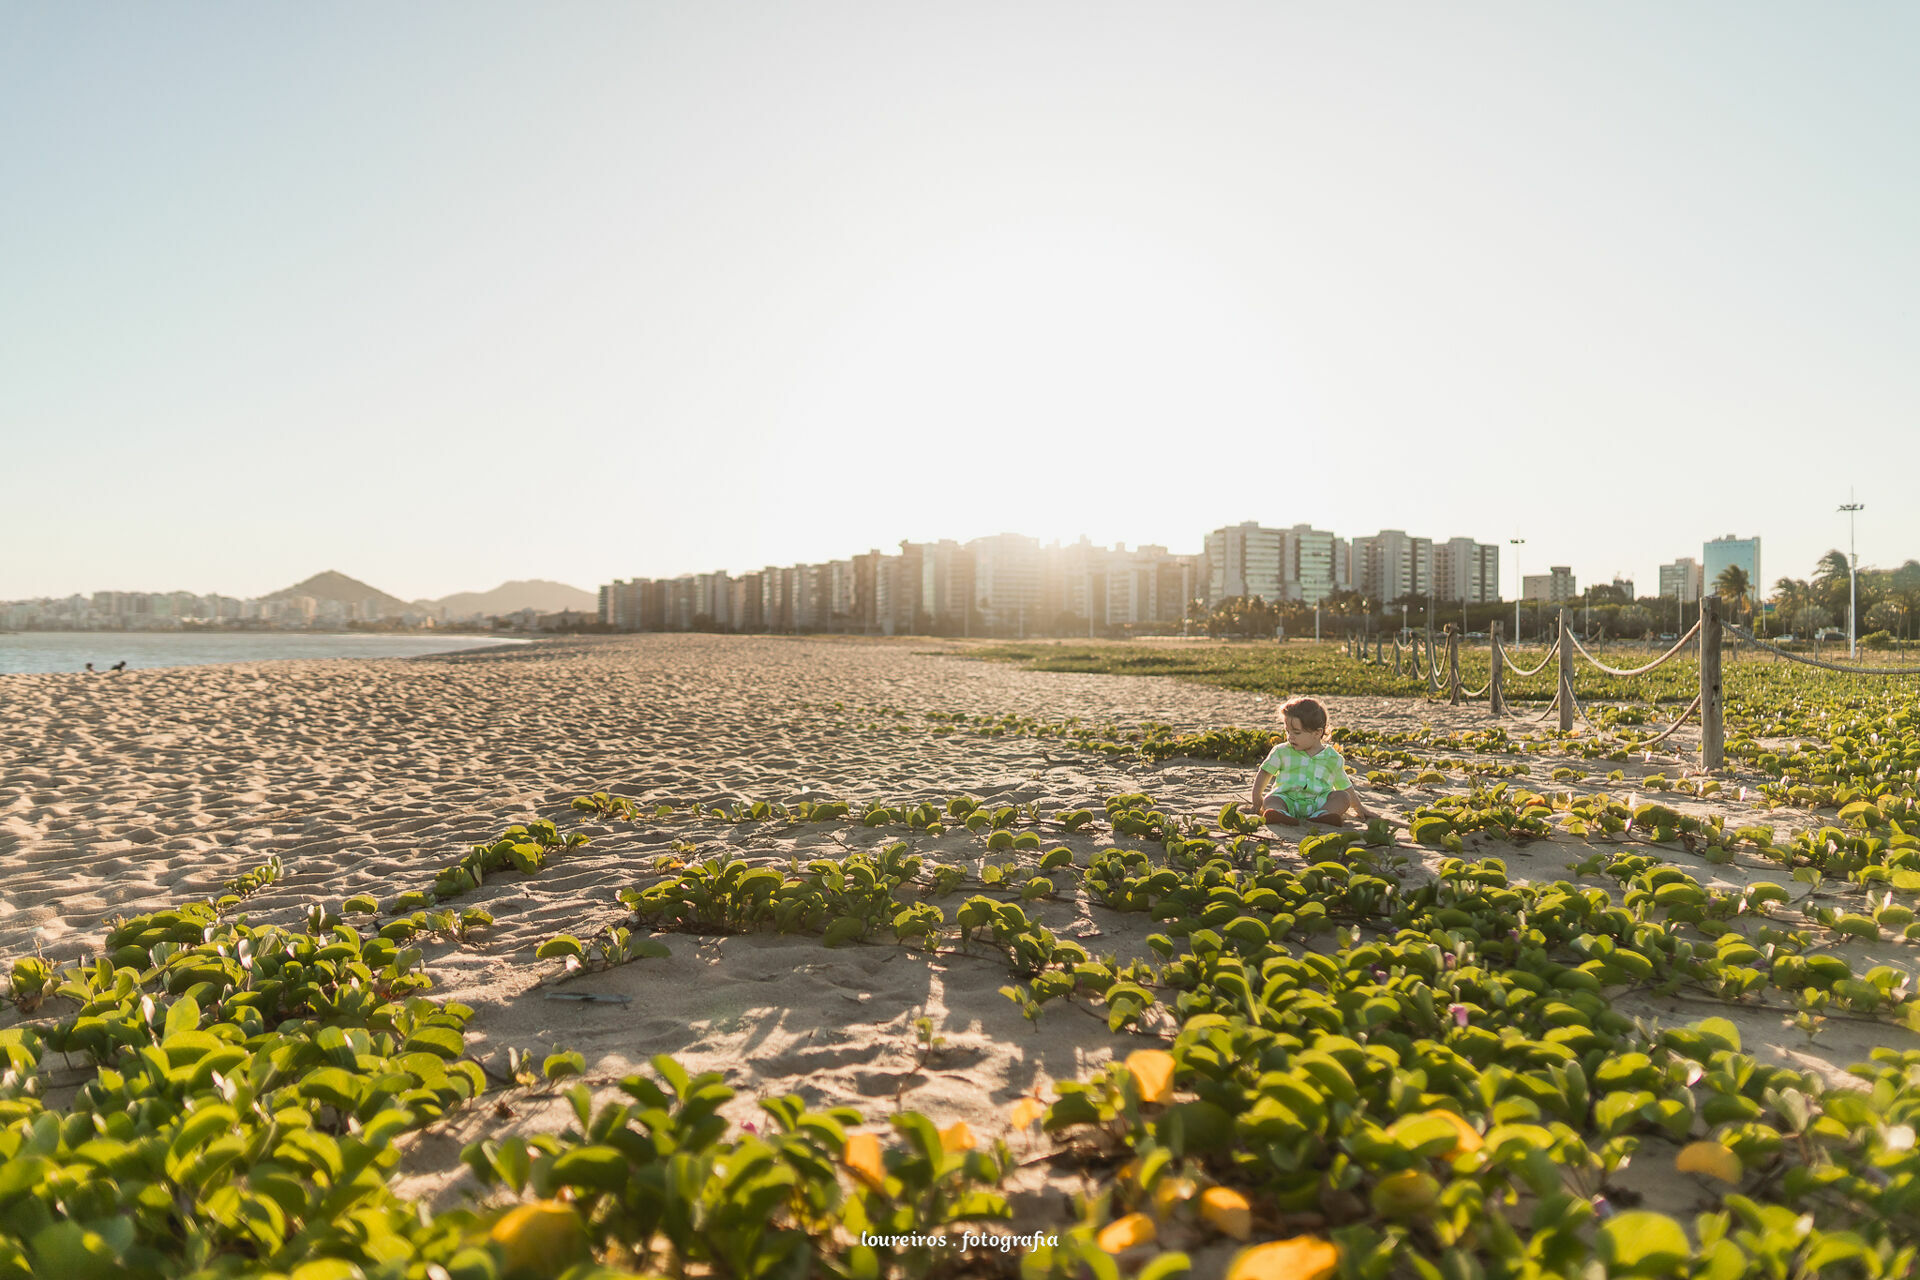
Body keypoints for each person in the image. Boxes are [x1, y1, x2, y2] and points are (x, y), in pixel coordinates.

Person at [1250, 695, 1371, 825]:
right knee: (1271, 800)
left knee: (1342, 797)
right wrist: (1257, 797)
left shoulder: (1332, 758)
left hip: (1318, 802)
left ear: (1317, 733)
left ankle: (1323, 815)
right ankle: (1280, 814)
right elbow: (1265, 772)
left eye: (1296, 732)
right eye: (1287, 731)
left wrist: (1359, 808)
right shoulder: (1282, 751)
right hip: (1287, 799)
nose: (1290, 737)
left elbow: (1345, 786)